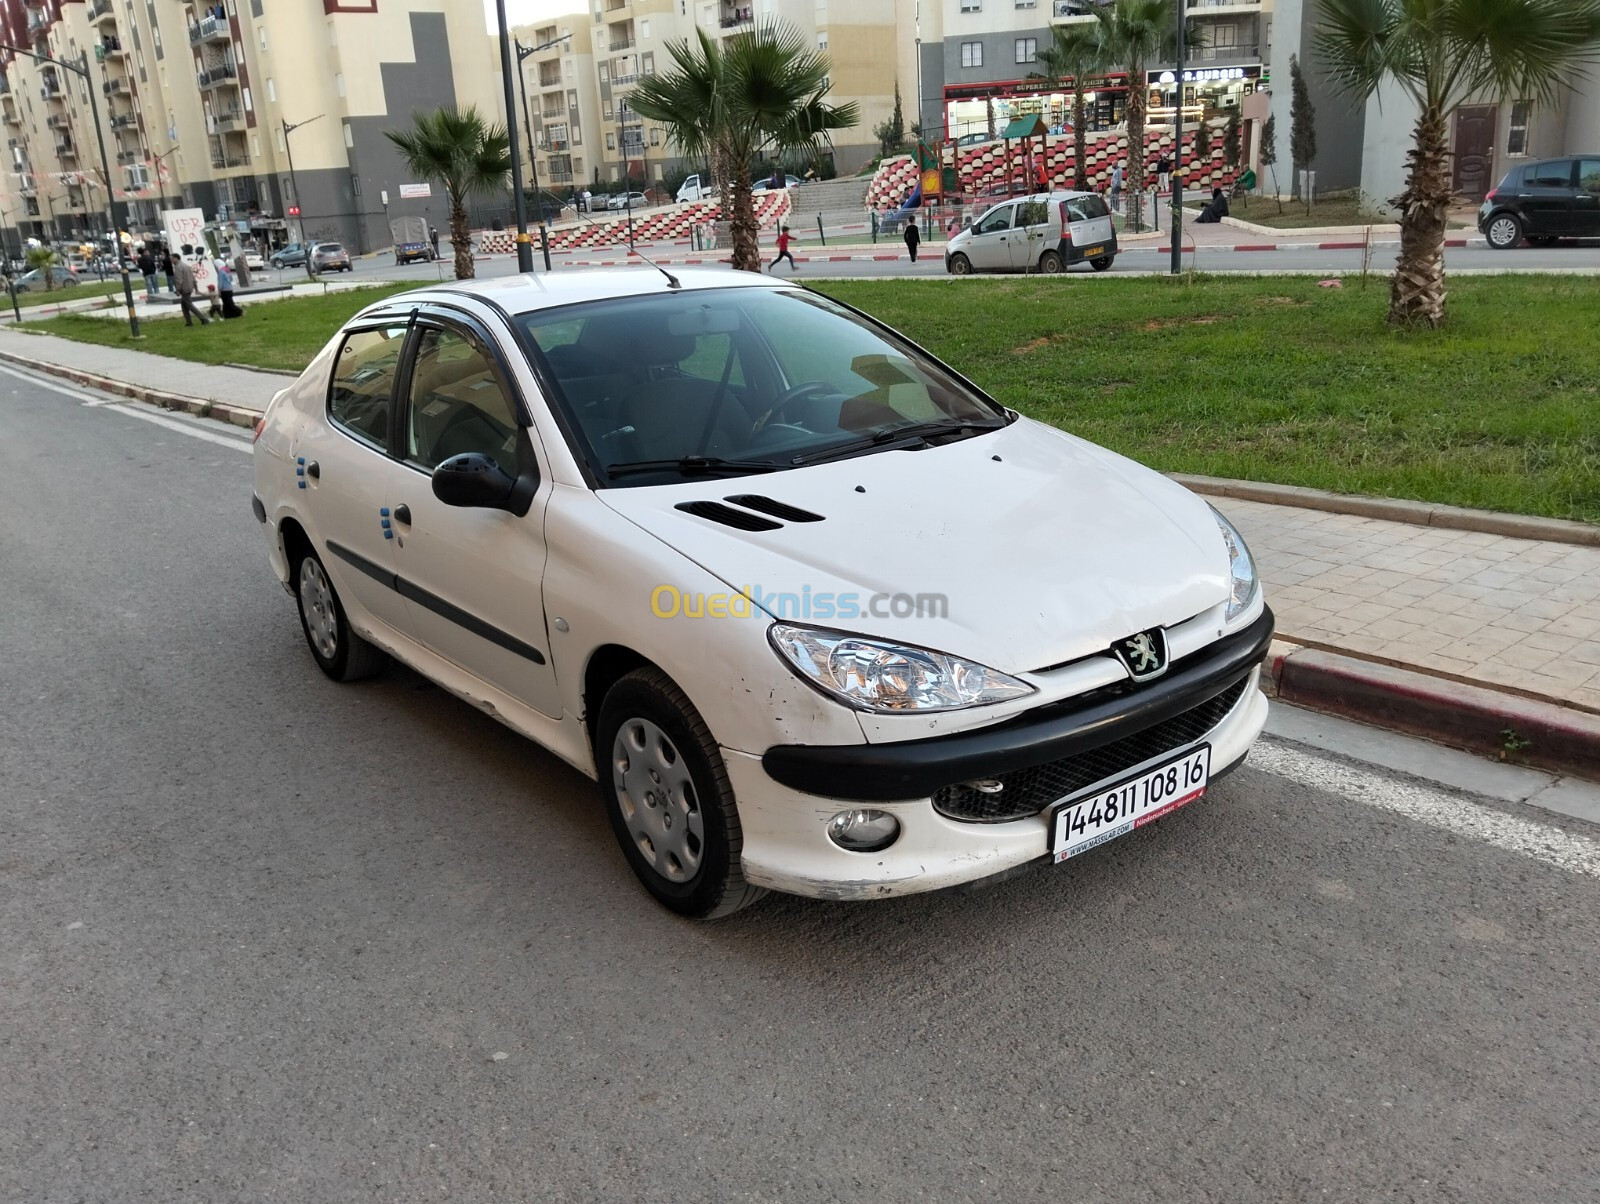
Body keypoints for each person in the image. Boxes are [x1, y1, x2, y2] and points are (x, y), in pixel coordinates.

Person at [171, 249, 209, 327]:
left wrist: (178, 290)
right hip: (189, 287)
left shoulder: (178, 267)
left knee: (189, 305)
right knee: (184, 306)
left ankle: (203, 319)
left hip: (184, 289)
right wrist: (195, 287)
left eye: (172, 258)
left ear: (176, 258)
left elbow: (178, 280)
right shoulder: (186, 266)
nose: (171, 260)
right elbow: (193, 278)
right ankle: (189, 322)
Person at [212, 252, 243, 318]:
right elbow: (231, 279)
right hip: (229, 289)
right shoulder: (227, 270)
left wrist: (219, 291)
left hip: (224, 290)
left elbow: (220, 282)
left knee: (228, 303)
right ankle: (228, 315)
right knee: (226, 304)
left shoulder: (221, 272)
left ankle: (239, 311)